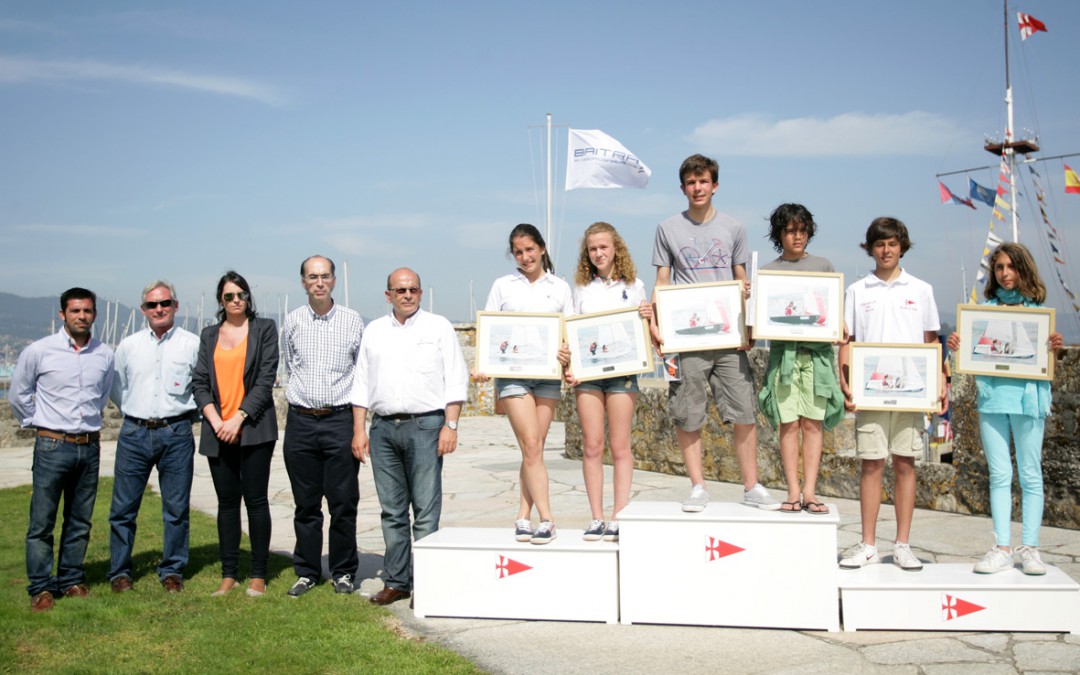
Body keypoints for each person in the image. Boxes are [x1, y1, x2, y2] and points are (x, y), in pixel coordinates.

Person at [650, 154, 779, 513]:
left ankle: (751, 486)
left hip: (728, 336)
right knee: (687, 412)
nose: (698, 188)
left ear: (715, 185)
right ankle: (697, 486)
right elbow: (662, 281)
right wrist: (655, 325)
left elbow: (741, 277)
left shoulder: (734, 227)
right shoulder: (667, 228)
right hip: (685, 337)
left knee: (744, 410)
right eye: (691, 183)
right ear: (683, 188)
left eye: (703, 181)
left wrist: (749, 323)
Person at [351, 268, 468, 606]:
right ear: (388, 295)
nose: (407, 295)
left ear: (421, 292)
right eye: (400, 290)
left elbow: (456, 379)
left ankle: (428, 584)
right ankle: (398, 581)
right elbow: (361, 383)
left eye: (413, 289)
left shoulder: (438, 327)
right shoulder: (373, 331)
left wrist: (451, 425)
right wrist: (359, 430)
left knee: (426, 511)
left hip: (427, 427)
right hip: (383, 428)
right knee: (392, 512)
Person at [946, 243, 1064, 575]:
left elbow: (1046, 363)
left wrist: (1053, 346)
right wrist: (958, 344)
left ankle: (1030, 548)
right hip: (993, 398)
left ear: (1023, 269)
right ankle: (1001, 548)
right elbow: (972, 355)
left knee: (1030, 474)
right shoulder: (983, 312)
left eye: (1011, 266)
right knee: (999, 474)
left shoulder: (1039, 313)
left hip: (1028, 400)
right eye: (999, 267)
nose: (1005, 273)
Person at [838, 217, 947, 571]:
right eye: (879, 244)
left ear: (903, 246)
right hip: (870, 392)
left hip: (912, 393)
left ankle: (902, 544)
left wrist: (940, 383)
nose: (886, 250)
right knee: (871, 464)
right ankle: (868, 544)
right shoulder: (857, 290)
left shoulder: (922, 289)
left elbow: (932, 342)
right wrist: (846, 381)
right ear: (870, 248)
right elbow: (847, 341)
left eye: (892, 243)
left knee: (905, 463)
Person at [9, 287, 115, 612]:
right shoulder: (39, 351)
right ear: (62, 314)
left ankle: (71, 579)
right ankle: (41, 588)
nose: (82, 316)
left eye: (87, 311)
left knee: (80, 520)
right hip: (52, 445)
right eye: (75, 311)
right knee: (42, 521)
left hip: (89, 446)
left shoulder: (104, 354)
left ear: (94, 314)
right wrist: (41, 422)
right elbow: (18, 395)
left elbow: (103, 395)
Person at [478, 224, 573, 544]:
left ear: (542, 249)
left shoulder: (560, 287)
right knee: (531, 444)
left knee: (534, 449)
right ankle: (547, 518)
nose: (524, 256)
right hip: (513, 376)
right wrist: (483, 366)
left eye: (529, 249)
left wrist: (566, 352)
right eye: (518, 252)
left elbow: (568, 332)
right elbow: (490, 331)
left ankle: (522, 515)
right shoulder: (503, 286)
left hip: (548, 377)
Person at [107, 280, 199, 594]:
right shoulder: (128, 346)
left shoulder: (192, 344)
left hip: (176, 433)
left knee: (176, 508)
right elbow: (117, 388)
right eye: (152, 305)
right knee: (123, 509)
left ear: (175, 305)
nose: (158, 309)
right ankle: (120, 572)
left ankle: (172, 570)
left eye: (165, 303)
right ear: (143, 309)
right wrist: (135, 412)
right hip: (134, 432)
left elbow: (201, 389)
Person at [281, 256, 364, 598]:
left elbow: (362, 374)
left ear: (333, 281)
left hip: (340, 421)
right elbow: (289, 367)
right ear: (303, 282)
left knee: (343, 502)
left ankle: (343, 571)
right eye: (312, 277)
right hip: (301, 422)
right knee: (306, 504)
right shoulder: (292, 321)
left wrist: (359, 428)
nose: (319, 282)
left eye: (325, 276)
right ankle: (307, 571)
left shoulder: (352, 321)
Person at [192, 271, 279, 597]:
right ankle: (229, 574)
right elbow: (200, 382)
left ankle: (258, 574)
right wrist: (217, 422)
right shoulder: (209, 334)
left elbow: (265, 378)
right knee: (227, 503)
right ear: (221, 300)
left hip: (254, 429)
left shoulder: (264, 329)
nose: (236, 300)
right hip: (218, 430)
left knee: (256, 501)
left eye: (241, 294)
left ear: (248, 297)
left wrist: (238, 418)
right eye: (229, 296)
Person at [756, 204, 845, 514]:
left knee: (813, 424)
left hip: (817, 357)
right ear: (779, 234)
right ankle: (792, 491)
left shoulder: (824, 266)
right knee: (788, 424)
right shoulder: (768, 270)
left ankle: (810, 491)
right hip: (784, 358)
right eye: (790, 230)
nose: (797, 236)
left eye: (802, 230)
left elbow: (832, 311)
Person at [566, 222, 651, 542]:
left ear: (616, 247)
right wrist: (571, 366)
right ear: (586, 254)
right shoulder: (581, 290)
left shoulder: (636, 285)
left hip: (623, 374)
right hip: (588, 377)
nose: (598, 253)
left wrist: (647, 315)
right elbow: (571, 333)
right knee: (592, 446)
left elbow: (646, 330)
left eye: (603, 246)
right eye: (592, 249)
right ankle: (596, 517)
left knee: (620, 446)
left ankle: (619, 514)